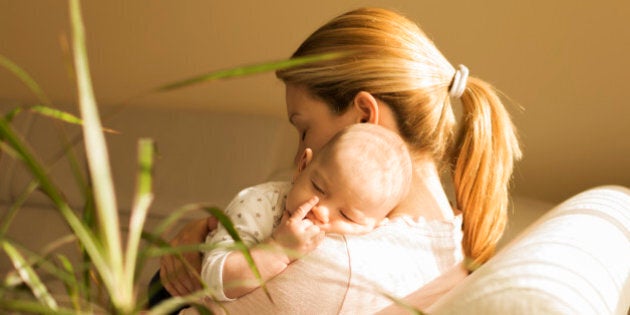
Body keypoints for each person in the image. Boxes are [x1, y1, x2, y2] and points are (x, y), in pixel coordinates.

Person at [158, 7, 522, 314]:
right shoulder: (451, 236)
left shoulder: (330, 262)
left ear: (364, 116)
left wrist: (200, 255)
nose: (298, 154)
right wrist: (208, 232)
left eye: (304, 129)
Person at [148, 124, 412, 308]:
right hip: (174, 292)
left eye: (347, 215)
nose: (321, 211)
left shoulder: (367, 249)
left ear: (378, 226)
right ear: (302, 167)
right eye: (318, 188)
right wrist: (277, 251)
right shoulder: (258, 203)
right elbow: (214, 279)